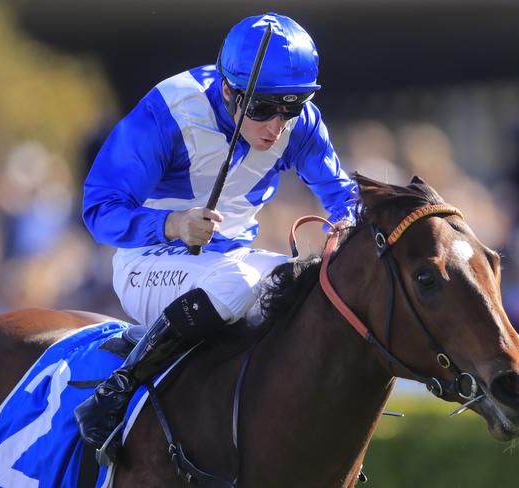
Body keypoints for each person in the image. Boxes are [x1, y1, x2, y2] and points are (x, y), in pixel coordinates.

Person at [74, 12, 359, 462]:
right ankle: (118, 389)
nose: (277, 125)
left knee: (306, 283)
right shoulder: (168, 110)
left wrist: (350, 226)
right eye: (263, 107)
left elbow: (344, 195)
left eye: (292, 106)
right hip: (146, 263)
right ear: (228, 89)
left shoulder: (299, 125)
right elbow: (98, 209)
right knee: (238, 282)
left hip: (228, 264)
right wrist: (172, 225)